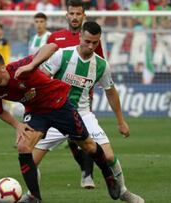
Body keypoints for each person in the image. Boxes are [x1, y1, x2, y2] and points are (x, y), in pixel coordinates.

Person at [19, 21, 144, 203]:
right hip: (55, 112)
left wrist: (120, 121)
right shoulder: (62, 55)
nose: (91, 46)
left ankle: (123, 191)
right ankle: (32, 195)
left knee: (108, 155)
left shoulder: (101, 65)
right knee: (29, 158)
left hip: (83, 114)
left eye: (95, 43)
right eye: (87, 41)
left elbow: (111, 92)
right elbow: (40, 79)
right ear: (80, 37)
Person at [0, 43, 121, 203]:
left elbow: (52, 46)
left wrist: (32, 65)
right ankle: (35, 196)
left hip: (59, 104)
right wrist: (17, 125)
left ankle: (108, 176)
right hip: (36, 113)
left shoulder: (19, 68)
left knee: (89, 145)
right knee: (23, 146)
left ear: (3, 68)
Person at [46, 0, 104, 189]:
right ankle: (85, 169)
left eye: (78, 14)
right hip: (58, 99)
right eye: (72, 13)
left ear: (83, 16)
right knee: (72, 140)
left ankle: (88, 175)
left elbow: (99, 64)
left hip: (82, 98)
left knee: (83, 135)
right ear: (66, 15)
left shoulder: (93, 39)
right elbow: (46, 65)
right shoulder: (55, 37)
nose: (75, 17)